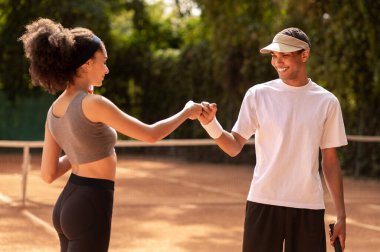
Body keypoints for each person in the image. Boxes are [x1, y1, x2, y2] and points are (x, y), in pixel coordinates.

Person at [19, 18, 202, 252]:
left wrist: (79, 151)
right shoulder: (95, 104)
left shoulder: (53, 109)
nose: (107, 69)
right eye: (103, 62)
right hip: (91, 203)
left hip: (68, 203)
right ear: (86, 64)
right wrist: (186, 112)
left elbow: (48, 174)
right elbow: (150, 135)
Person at [199, 27, 347, 252]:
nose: (278, 61)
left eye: (285, 55)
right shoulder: (257, 95)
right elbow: (234, 147)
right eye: (274, 56)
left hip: (308, 207)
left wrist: (342, 215)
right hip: (263, 202)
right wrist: (210, 124)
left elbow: (330, 161)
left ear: (304, 55)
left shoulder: (327, 102)